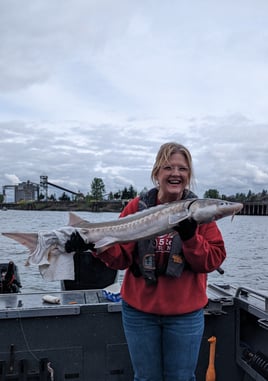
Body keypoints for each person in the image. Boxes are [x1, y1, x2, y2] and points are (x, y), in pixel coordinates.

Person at [65, 142, 226, 381]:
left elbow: (213, 260)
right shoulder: (136, 207)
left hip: (185, 314)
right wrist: (94, 247)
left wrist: (190, 237)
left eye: (182, 169)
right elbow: (121, 258)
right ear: (156, 173)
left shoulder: (200, 211)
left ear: (189, 175)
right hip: (139, 312)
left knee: (182, 378)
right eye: (168, 167)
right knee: (145, 378)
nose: (175, 173)